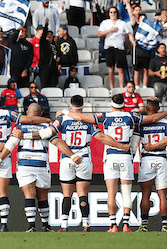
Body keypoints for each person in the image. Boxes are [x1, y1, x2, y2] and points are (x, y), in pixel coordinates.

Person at [65, 94, 167, 232]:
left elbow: (80, 117)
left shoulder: (105, 116)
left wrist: (65, 112)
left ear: (111, 105)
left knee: (111, 193)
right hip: (126, 156)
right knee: (126, 193)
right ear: (124, 105)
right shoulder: (131, 116)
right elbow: (153, 118)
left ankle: (113, 225)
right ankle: (126, 225)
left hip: (111, 156)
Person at [0, 103, 76, 232]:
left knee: (29, 195)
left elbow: (11, 144)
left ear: (27, 113)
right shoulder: (47, 126)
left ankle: (31, 226)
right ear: (40, 114)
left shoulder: (19, 127)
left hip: (25, 163)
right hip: (41, 163)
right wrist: (72, 156)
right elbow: (57, 142)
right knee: (42, 198)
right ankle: (46, 226)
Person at [49, 94, 129, 232]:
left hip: (67, 158)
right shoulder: (88, 121)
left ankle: (63, 225)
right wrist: (120, 146)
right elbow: (102, 137)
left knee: (66, 194)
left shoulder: (62, 119)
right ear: (83, 106)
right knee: (83, 194)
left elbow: (51, 134)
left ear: (70, 105)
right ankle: (86, 223)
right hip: (84, 158)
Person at [136, 97, 167, 232]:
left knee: (146, 194)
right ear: (158, 108)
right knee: (162, 194)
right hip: (161, 159)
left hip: (147, 159)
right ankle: (165, 225)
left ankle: (144, 225)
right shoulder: (165, 123)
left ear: (147, 108)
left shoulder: (141, 123)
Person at [98, 6, 135, 88]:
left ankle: (121, 87)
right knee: (111, 69)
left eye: (114, 12)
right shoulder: (105, 22)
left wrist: (133, 41)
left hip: (119, 47)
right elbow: (99, 34)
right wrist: (110, 30)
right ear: (109, 13)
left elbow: (129, 33)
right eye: (111, 12)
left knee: (120, 69)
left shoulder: (122, 23)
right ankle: (112, 87)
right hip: (109, 47)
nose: (113, 14)